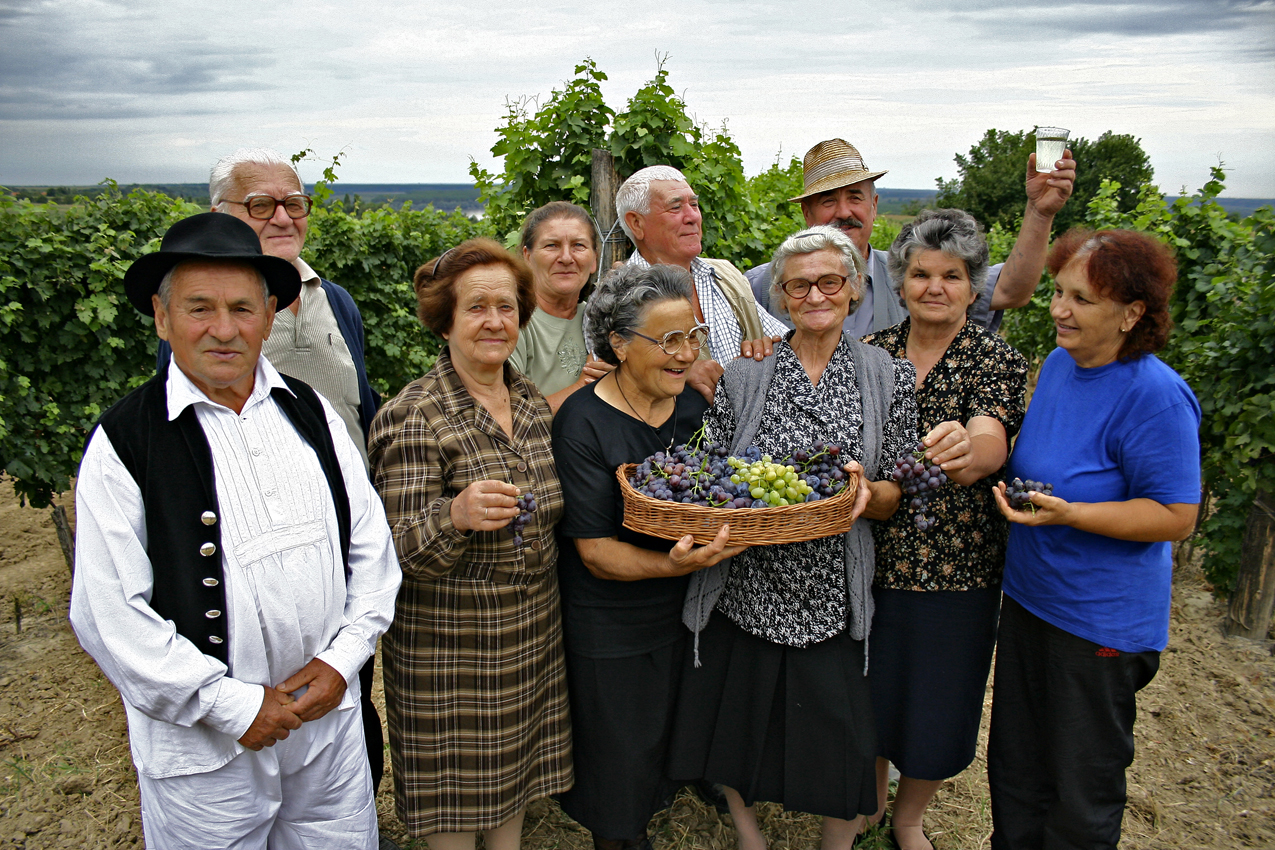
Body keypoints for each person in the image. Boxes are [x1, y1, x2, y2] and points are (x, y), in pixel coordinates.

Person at [70, 212, 401, 848]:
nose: (224, 329)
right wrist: (232, 706)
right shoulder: (125, 442)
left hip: (325, 729)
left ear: (269, 316)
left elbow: (371, 552)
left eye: (243, 308)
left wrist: (342, 662)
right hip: (205, 753)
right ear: (163, 319)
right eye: (200, 308)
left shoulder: (313, 413)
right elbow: (108, 614)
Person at [671, 225, 917, 850]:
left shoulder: (887, 375)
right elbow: (719, 473)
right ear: (780, 296)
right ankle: (749, 837)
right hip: (747, 585)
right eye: (798, 284)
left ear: (853, 290)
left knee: (843, 739)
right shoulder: (748, 374)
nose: (814, 295)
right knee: (735, 726)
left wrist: (868, 499)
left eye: (829, 281)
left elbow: (897, 491)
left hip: (832, 590)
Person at [156, 148, 389, 800]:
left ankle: (349, 821)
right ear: (220, 213)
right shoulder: (199, 315)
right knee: (259, 694)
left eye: (294, 202)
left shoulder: (334, 300)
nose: (283, 215)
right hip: (249, 546)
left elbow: (357, 408)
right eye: (261, 204)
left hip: (339, 541)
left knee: (346, 690)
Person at [987, 229, 1201, 850]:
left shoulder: (1155, 397)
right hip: (1031, 602)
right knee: (1017, 772)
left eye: (1080, 298)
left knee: (1080, 792)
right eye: (1058, 292)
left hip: (1096, 627)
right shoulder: (1059, 364)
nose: (1058, 309)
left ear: (1132, 314)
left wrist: (1074, 514)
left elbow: (1175, 515)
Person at [367, 238, 571, 850]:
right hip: (451, 651)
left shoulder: (531, 402)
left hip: (531, 633)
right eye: (477, 307)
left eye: (507, 307)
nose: (495, 322)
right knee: (454, 810)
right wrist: (453, 515)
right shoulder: (413, 416)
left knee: (511, 791)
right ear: (446, 319)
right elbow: (395, 552)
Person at [550, 262, 746, 850]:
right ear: (618, 345)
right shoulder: (583, 423)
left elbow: (714, 489)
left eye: (693, 336)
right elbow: (595, 552)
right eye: (668, 340)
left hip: (685, 612)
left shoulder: (691, 411)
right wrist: (672, 566)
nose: (686, 354)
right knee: (619, 749)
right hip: (612, 621)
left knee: (666, 732)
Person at [861, 209, 1028, 850]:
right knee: (874, 687)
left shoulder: (995, 359)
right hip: (872, 554)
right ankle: (871, 802)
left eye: (952, 276)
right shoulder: (870, 354)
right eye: (921, 273)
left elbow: (990, 440)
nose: (935, 287)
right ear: (901, 280)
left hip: (958, 565)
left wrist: (968, 451)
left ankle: (908, 819)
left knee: (939, 696)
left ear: (972, 285)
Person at [745, 138, 1077, 334]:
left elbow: (1010, 291)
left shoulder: (910, 273)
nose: (843, 212)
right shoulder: (760, 286)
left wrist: (1040, 211)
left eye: (855, 197)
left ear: (874, 207)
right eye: (828, 201)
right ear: (807, 215)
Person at [617, 165, 789, 398]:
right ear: (636, 223)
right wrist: (680, 370)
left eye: (694, 205)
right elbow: (611, 381)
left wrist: (763, 352)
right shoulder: (617, 297)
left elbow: (784, 343)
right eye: (676, 207)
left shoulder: (724, 274)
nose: (692, 217)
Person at [510, 201, 614, 413]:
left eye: (578, 245)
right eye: (552, 245)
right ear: (527, 257)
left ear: (594, 259)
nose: (566, 258)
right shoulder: (513, 321)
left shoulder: (601, 318)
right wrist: (584, 387)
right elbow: (507, 417)